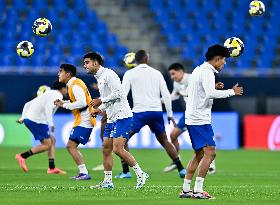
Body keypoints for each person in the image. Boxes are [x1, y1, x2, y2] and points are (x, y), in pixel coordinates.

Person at [179, 44, 243, 199]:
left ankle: (186, 189)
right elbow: (209, 94)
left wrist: (213, 87)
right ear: (217, 59)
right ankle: (199, 190)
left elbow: (197, 91)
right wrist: (231, 92)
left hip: (193, 117)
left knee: (199, 154)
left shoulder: (198, 70)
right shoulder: (207, 72)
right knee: (211, 152)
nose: (225, 63)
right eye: (224, 60)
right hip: (199, 119)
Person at [83, 52, 148, 189]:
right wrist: (100, 108)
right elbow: (109, 98)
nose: (85, 66)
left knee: (118, 149)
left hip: (122, 116)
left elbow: (119, 93)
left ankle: (141, 174)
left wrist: (100, 100)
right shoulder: (100, 78)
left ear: (96, 63)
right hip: (112, 118)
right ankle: (108, 181)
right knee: (106, 148)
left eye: (87, 62)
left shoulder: (109, 74)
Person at [122, 50, 186, 178]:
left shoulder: (129, 73)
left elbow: (123, 94)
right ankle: (181, 169)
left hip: (139, 112)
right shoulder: (157, 73)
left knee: (121, 140)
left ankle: (126, 172)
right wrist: (169, 114)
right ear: (147, 58)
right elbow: (167, 95)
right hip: (156, 112)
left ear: (135, 60)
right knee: (164, 140)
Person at [163, 63, 217, 174]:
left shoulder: (193, 79)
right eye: (171, 75)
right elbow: (175, 95)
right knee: (173, 135)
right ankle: (176, 159)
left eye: (173, 74)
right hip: (188, 114)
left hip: (199, 113)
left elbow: (205, 90)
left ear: (181, 71)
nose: (172, 77)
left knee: (204, 141)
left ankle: (211, 163)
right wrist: (161, 100)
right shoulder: (177, 83)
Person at [15, 81, 67, 174]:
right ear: (62, 89)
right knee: (47, 145)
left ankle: (52, 168)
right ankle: (22, 156)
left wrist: (23, 117)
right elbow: (48, 108)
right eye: (66, 88)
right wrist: (51, 124)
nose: (67, 91)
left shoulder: (49, 93)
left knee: (52, 140)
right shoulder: (58, 95)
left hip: (32, 119)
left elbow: (27, 104)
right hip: (37, 121)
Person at [55, 64, 96, 180]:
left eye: (60, 71)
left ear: (68, 74)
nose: (59, 74)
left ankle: (84, 173)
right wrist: (63, 102)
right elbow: (78, 101)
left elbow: (82, 103)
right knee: (71, 146)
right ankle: (83, 172)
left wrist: (64, 105)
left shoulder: (74, 85)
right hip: (83, 119)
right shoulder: (73, 83)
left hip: (85, 119)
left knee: (70, 146)